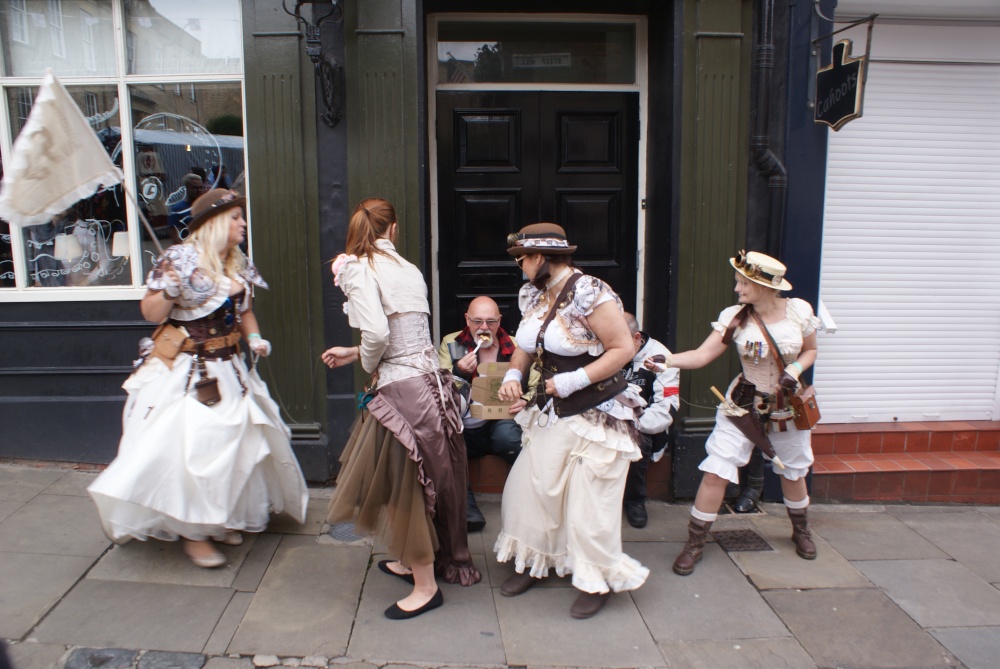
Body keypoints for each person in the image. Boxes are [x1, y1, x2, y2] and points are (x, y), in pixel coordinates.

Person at [88, 189, 309, 569]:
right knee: (198, 452)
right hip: (189, 374)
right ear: (214, 222)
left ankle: (218, 519)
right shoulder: (177, 259)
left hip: (230, 369)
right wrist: (170, 290)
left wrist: (254, 338)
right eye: (236, 217)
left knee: (238, 447)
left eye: (242, 217)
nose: (243, 224)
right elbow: (150, 312)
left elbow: (245, 312)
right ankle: (193, 534)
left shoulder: (236, 263)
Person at [323, 198, 481, 621]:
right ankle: (414, 561)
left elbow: (377, 333)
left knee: (403, 484)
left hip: (400, 391)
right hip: (432, 386)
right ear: (393, 230)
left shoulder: (357, 267)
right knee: (431, 477)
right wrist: (358, 353)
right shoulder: (408, 269)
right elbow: (405, 335)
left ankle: (426, 586)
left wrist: (370, 363)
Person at [494, 222, 649, 620]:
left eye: (523, 259)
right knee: (534, 489)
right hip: (553, 409)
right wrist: (514, 374)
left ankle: (595, 580)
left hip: (599, 413)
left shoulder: (591, 291)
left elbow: (622, 349)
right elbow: (525, 346)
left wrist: (574, 379)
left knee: (590, 503)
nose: (520, 267)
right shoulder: (531, 293)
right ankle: (537, 561)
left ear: (542, 258)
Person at [651, 250, 820, 575]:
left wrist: (796, 368)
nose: (737, 289)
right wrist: (668, 360)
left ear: (764, 286)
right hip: (742, 403)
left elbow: (811, 349)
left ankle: (801, 530)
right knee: (717, 470)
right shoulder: (735, 316)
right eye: (738, 282)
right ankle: (694, 543)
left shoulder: (799, 311)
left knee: (793, 471)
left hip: (787, 404)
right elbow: (702, 355)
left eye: (743, 283)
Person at [437, 296, 524, 532]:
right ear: (467, 319)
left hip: (501, 421)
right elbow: (439, 388)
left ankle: (528, 503)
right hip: (465, 425)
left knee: (510, 439)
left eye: (491, 322)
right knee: (446, 443)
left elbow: (534, 381)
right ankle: (467, 510)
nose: (484, 328)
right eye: (477, 321)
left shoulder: (516, 346)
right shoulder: (451, 343)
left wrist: (526, 399)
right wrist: (458, 372)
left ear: (500, 321)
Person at [620, 313, 679, 528]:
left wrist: (633, 422)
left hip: (641, 422)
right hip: (606, 415)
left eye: (620, 344)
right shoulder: (606, 349)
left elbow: (667, 408)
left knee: (638, 442)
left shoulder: (661, 357)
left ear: (637, 338)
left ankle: (634, 501)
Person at [167, 173, 206, 243]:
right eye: (195, 188)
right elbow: (173, 232)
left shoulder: (207, 206)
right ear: (186, 189)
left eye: (201, 187)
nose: (199, 190)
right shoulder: (177, 209)